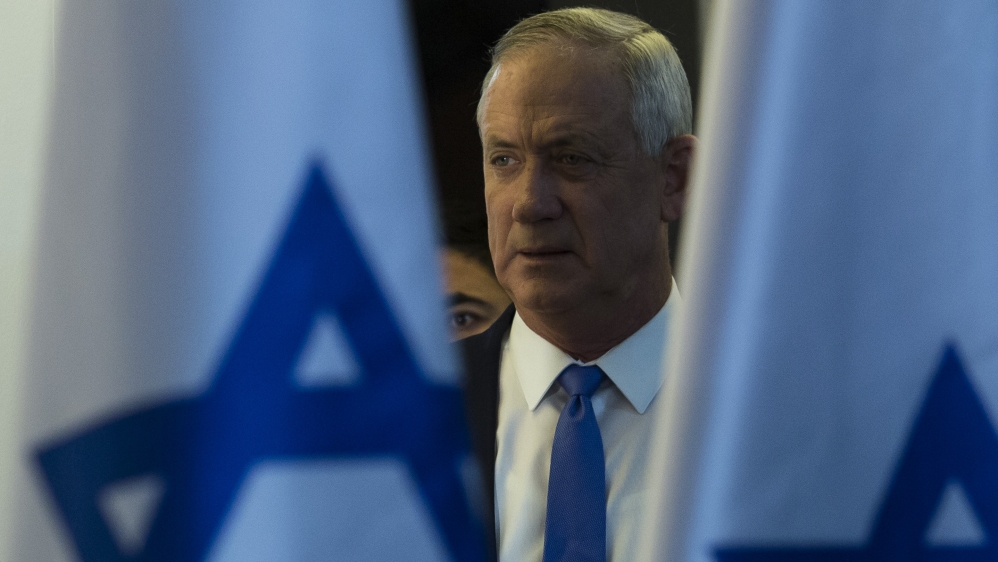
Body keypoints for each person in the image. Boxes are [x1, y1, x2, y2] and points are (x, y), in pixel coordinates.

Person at [460, 7, 696, 561]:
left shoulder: (776, 409)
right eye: (504, 159)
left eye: (571, 158)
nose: (529, 204)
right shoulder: (418, 411)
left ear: (674, 178)